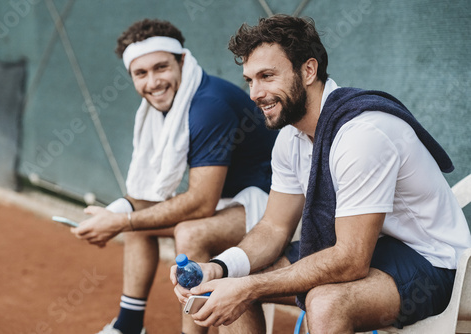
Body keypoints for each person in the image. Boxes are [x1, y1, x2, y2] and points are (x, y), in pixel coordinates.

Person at [171, 14, 471, 333]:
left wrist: (251, 287)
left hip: (431, 261)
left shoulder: (362, 135)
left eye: (267, 76)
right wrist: (220, 268)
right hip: (372, 248)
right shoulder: (291, 137)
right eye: (250, 80)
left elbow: (351, 258)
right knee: (236, 278)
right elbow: (273, 227)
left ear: (308, 70)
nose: (255, 93)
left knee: (325, 302)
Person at [71, 19, 278, 334]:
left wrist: (122, 222)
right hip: (232, 201)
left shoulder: (209, 105)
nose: (153, 82)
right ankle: (128, 325)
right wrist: (117, 214)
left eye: (161, 68)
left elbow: (201, 204)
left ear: (182, 61)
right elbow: (152, 202)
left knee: (189, 232)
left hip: (274, 205)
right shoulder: (167, 104)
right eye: (141, 73)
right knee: (140, 218)